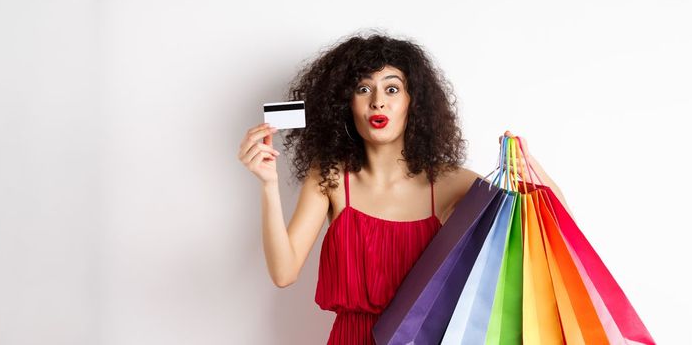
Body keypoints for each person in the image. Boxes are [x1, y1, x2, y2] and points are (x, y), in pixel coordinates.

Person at [238, 32, 568, 345]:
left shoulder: (450, 183)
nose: (378, 102)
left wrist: (532, 170)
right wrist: (268, 185)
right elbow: (283, 273)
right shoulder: (330, 178)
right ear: (345, 103)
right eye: (363, 89)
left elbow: (550, 233)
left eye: (392, 89)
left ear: (414, 102)